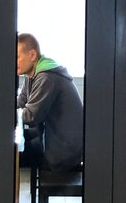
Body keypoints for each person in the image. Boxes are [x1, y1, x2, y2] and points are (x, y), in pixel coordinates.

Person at [16, 32, 84, 171]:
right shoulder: (32, 75)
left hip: (63, 151)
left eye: (17, 57)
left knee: (8, 153)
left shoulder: (46, 77)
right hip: (53, 137)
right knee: (14, 142)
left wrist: (5, 114)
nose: (13, 61)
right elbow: (21, 102)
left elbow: (31, 117)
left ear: (32, 55)